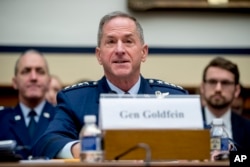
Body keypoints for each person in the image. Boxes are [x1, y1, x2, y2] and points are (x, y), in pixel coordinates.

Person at [32, 11, 188, 159]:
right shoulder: (75, 100)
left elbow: (204, 143)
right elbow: (47, 142)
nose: (120, 50)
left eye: (128, 41)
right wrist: (84, 148)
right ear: (99, 55)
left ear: (143, 52)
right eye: (111, 42)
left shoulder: (174, 98)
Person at [0, 49, 56, 159]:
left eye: (40, 71)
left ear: (49, 81)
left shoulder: (62, 117)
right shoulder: (1, 119)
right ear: (15, 82)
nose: (33, 77)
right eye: (26, 71)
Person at [200, 56, 250, 152]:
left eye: (225, 83)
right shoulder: (187, 124)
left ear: (236, 90)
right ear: (202, 87)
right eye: (212, 82)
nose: (218, 89)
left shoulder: (248, 128)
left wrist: (231, 159)